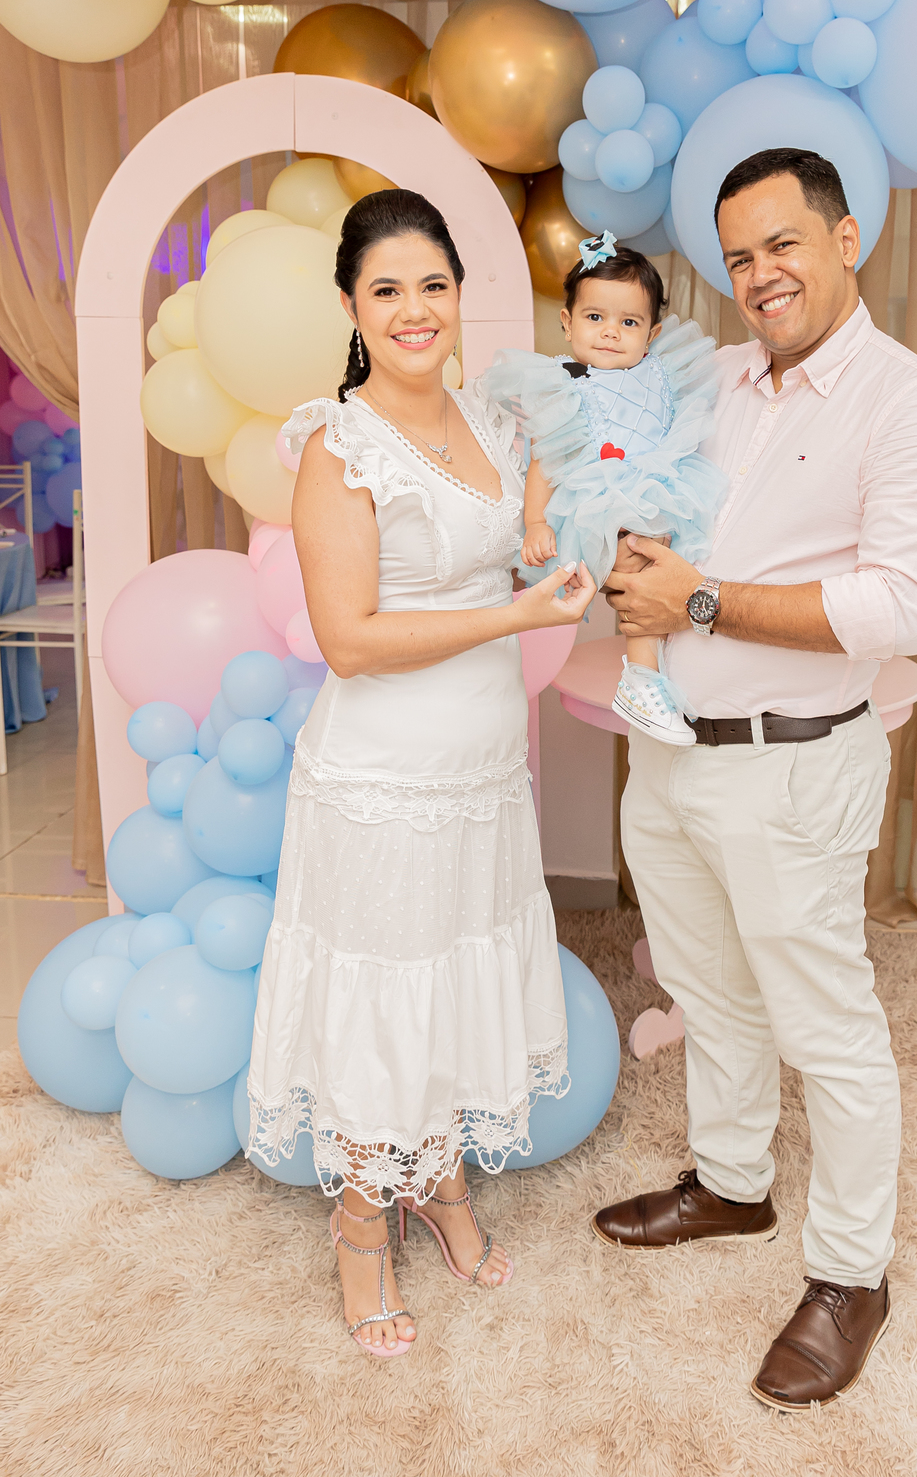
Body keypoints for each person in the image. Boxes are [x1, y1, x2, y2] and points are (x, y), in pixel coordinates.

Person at [596, 147, 917, 1411]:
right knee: (708, 986)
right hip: (670, 752)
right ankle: (733, 1184)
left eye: (783, 244)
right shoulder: (710, 378)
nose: (760, 274)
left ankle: (853, 1275)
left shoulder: (913, 405)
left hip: (797, 763)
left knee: (827, 1025)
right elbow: (633, 479)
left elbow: (897, 607)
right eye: (738, 257)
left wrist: (697, 598)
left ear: (845, 239)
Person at [245, 188, 595, 1358]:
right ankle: (360, 1223)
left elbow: (533, 531)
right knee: (388, 987)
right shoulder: (336, 446)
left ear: (460, 297)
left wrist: (565, 551)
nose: (414, 309)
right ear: (352, 306)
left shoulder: (492, 418)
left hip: (484, 768)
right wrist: (515, 618)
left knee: (456, 970)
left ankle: (439, 1182)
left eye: (433, 286)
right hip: (382, 782)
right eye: (387, 289)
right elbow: (347, 640)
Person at [483, 230, 725, 746]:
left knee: (682, 574)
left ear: (651, 334)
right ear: (567, 322)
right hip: (596, 502)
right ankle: (641, 679)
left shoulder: (663, 373)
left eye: (628, 322)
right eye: (595, 317)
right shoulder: (564, 384)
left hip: (659, 493)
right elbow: (546, 460)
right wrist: (536, 521)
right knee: (638, 571)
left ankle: (665, 670)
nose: (611, 332)